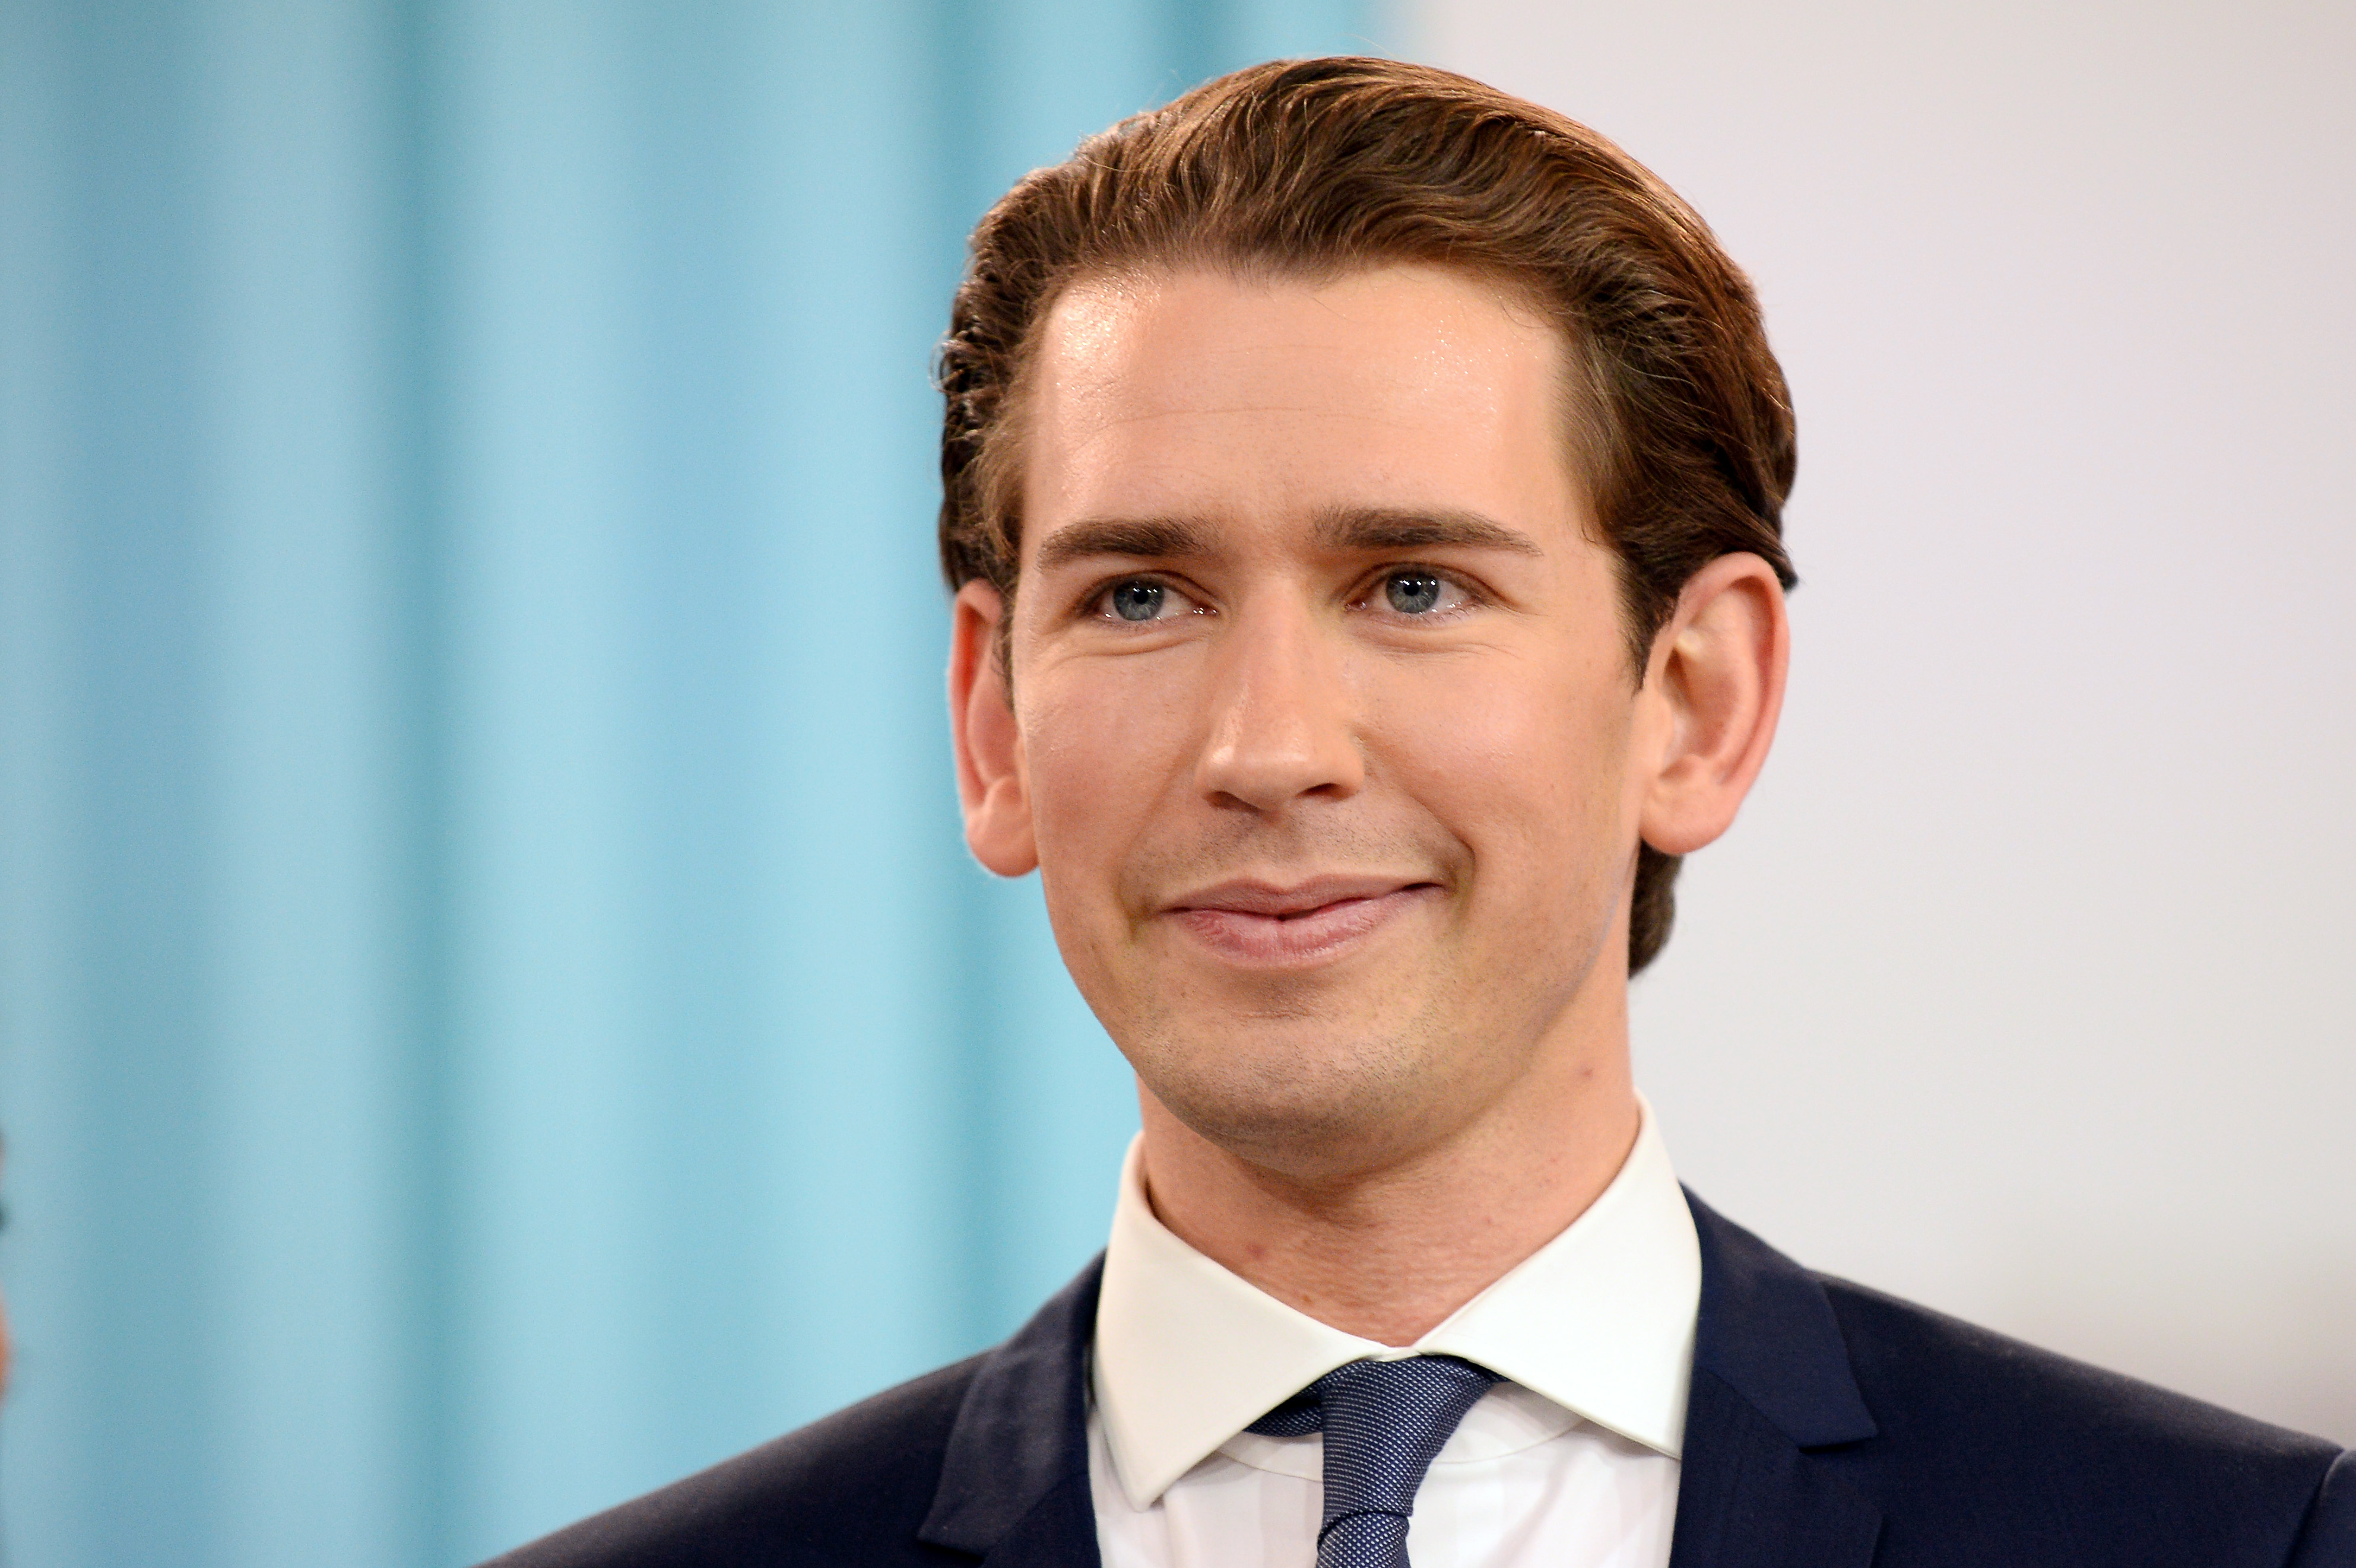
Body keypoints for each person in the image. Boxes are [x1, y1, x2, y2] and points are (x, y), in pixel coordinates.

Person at [486, 57, 2352, 1568]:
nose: (1268, 744)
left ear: (1691, 701)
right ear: (990, 718)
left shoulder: (2231, 1540)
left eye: (1411, 585)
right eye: (1138, 594)